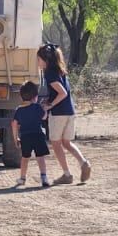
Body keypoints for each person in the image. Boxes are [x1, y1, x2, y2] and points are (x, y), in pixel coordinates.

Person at [38, 42, 92, 184]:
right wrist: (49, 100)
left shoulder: (49, 73)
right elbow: (62, 92)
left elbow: (62, 93)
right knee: (66, 142)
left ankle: (67, 174)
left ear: (46, 59)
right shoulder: (60, 71)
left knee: (56, 143)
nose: (38, 62)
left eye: (39, 59)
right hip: (69, 111)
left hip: (58, 113)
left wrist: (49, 105)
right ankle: (84, 163)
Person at [11, 80, 51, 188]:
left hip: (25, 137)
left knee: (25, 158)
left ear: (21, 96)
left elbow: (14, 124)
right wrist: (45, 109)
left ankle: (22, 178)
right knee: (40, 157)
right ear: (35, 97)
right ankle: (44, 177)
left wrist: (16, 138)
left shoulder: (19, 110)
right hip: (38, 135)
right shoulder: (37, 107)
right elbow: (44, 117)